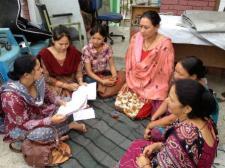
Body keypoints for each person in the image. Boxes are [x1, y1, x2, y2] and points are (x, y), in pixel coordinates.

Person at [119, 79, 218, 168]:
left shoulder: (183, 137)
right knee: (140, 144)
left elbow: (182, 147)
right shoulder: (206, 120)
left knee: (133, 156)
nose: (166, 100)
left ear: (187, 108)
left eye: (171, 99)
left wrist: (144, 164)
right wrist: (158, 145)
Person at [0, 56, 86, 141]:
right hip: (24, 126)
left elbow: (48, 95)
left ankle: (56, 134)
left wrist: (58, 101)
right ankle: (69, 126)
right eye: (38, 69)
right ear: (26, 75)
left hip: (41, 112)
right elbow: (23, 124)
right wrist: (50, 120)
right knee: (39, 134)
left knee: (67, 101)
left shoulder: (38, 79)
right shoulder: (11, 98)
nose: (42, 70)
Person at [144, 56, 219, 140]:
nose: (175, 75)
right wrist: (153, 118)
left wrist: (150, 125)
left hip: (196, 129)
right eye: (175, 70)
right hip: (184, 115)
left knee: (155, 132)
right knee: (158, 103)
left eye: (180, 74)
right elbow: (167, 100)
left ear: (193, 76)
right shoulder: (185, 84)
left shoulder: (192, 92)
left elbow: (172, 119)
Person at [116, 11, 174, 117]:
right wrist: (128, 82)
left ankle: (149, 100)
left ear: (157, 27)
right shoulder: (136, 38)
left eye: (146, 28)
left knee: (139, 113)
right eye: (140, 26)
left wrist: (148, 90)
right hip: (135, 81)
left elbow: (166, 72)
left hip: (153, 85)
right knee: (119, 104)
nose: (142, 31)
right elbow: (130, 64)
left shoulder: (165, 45)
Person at [38, 25, 85, 98]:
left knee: (79, 94)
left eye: (66, 44)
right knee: (53, 96)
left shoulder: (72, 51)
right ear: (53, 40)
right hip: (54, 84)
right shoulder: (45, 54)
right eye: (60, 44)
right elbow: (46, 77)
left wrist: (80, 81)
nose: (64, 47)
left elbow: (79, 70)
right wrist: (65, 86)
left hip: (72, 82)